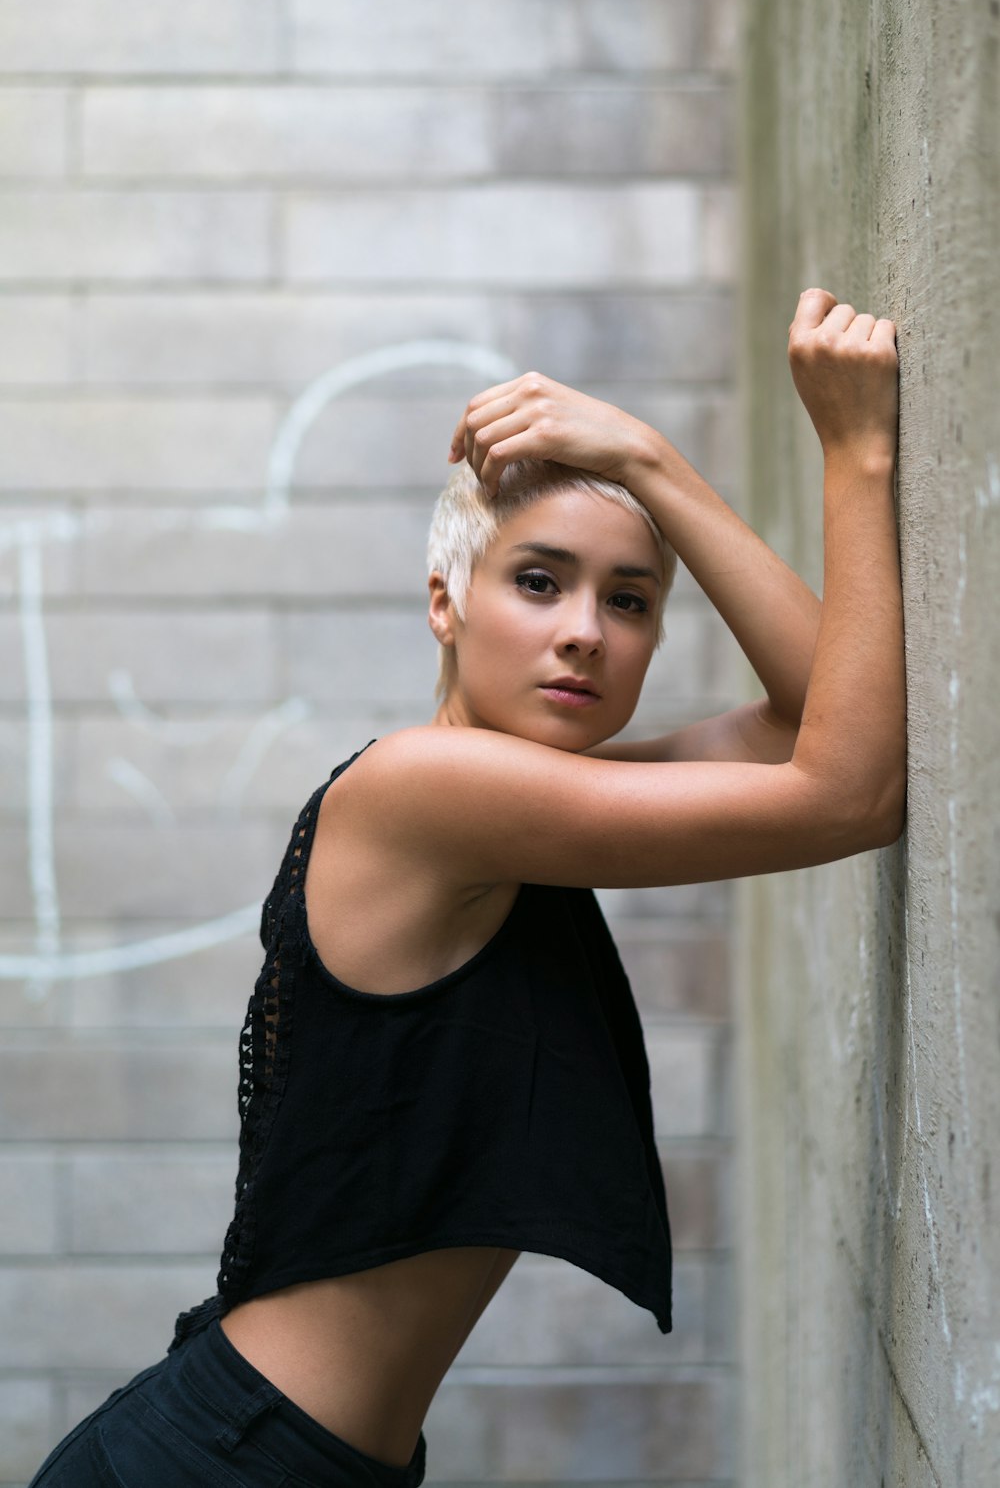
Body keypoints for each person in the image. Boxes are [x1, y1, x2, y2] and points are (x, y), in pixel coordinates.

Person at [27, 287, 904, 1486]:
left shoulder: (507, 813)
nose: (586, 630)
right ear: (445, 601)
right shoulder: (428, 790)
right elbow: (852, 791)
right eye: (538, 581)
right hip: (227, 1459)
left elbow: (818, 724)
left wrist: (653, 469)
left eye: (629, 600)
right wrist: (855, 451)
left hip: (300, 1452)